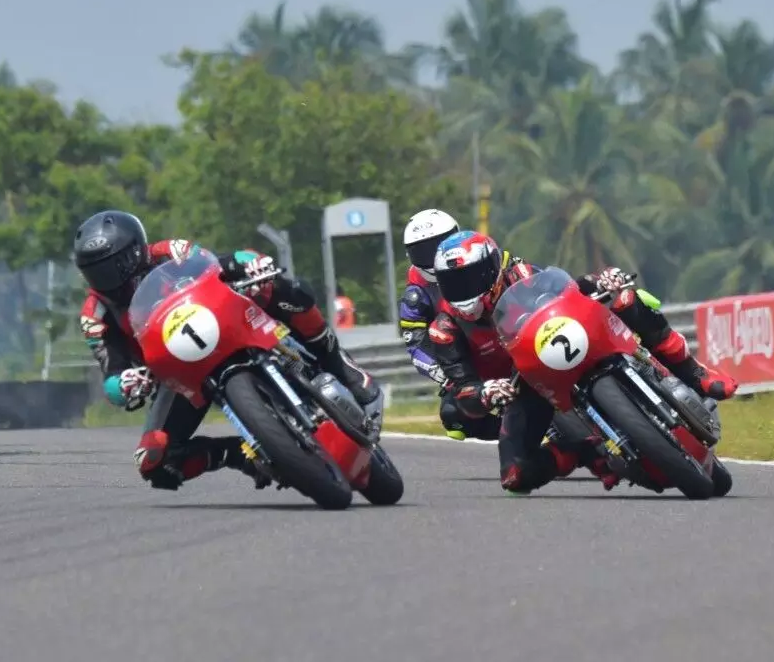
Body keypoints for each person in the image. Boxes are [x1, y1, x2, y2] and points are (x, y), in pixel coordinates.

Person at [72, 209, 382, 492]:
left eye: (117, 264)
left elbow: (220, 262)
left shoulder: (169, 252)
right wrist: (125, 383)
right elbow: (110, 373)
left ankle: (340, 366)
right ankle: (241, 455)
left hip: (223, 321)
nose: (111, 278)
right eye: (97, 272)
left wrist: (251, 262)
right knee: (153, 459)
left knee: (282, 288)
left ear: (138, 249)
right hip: (177, 373)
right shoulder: (95, 314)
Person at [426, 229, 738, 495]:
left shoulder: (522, 275)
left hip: (565, 339)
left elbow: (571, 288)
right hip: (522, 385)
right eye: (453, 283)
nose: (462, 291)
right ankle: (575, 451)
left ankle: (695, 373)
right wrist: (484, 393)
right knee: (515, 476)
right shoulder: (445, 330)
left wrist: (602, 282)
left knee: (627, 298)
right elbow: (460, 387)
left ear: (491, 268)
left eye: (469, 279)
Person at [398, 208, 503, 442]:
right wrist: (445, 375)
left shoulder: (483, 255)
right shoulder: (416, 293)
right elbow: (415, 344)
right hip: (466, 359)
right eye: (422, 251)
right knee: (453, 416)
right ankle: (514, 432)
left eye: (439, 245)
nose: (434, 255)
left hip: (507, 336)